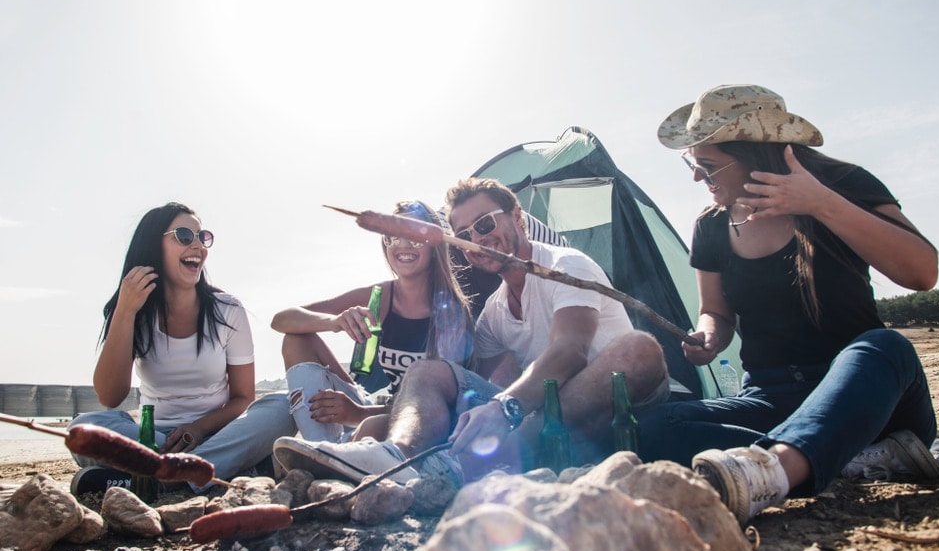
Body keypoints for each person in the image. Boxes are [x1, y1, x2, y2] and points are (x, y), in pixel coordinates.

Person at [646, 84, 939, 525]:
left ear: (752, 155)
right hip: (771, 395)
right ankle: (835, 456)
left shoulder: (843, 186)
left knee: (884, 346)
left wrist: (821, 204)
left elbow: (922, 272)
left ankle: (771, 470)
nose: (695, 177)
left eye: (706, 165)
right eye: (692, 163)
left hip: (869, 396)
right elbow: (717, 312)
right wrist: (709, 334)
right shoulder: (710, 227)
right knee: (652, 426)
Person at [273, 178, 668, 484]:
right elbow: (476, 384)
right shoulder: (493, 314)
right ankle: (396, 457)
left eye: (484, 224)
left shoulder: (567, 266)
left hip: (604, 396)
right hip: (542, 416)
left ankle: (457, 463)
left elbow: (570, 350)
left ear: (516, 217)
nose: (478, 240)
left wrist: (504, 408)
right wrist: (469, 409)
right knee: (426, 372)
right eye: (465, 235)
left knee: (638, 349)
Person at [69, 202, 296, 496]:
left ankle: (157, 479)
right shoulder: (132, 310)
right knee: (82, 428)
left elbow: (243, 398)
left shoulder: (228, 311)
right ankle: (203, 472)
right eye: (185, 236)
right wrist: (125, 311)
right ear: (154, 245)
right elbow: (110, 397)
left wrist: (199, 429)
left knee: (283, 408)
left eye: (203, 237)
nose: (198, 246)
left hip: (216, 434)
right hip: (153, 439)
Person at [270, 200, 476, 444]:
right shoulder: (380, 296)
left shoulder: (451, 312)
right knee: (297, 340)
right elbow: (281, 319)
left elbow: (446, 405)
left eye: (414, 236)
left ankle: (334, 459)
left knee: (371, 426)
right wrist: (334, 322)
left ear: (434, 244)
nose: (403, 245)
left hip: (420, 421)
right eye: (393, 236)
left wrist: (359, 414)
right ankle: (322, 448)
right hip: (379, 407)